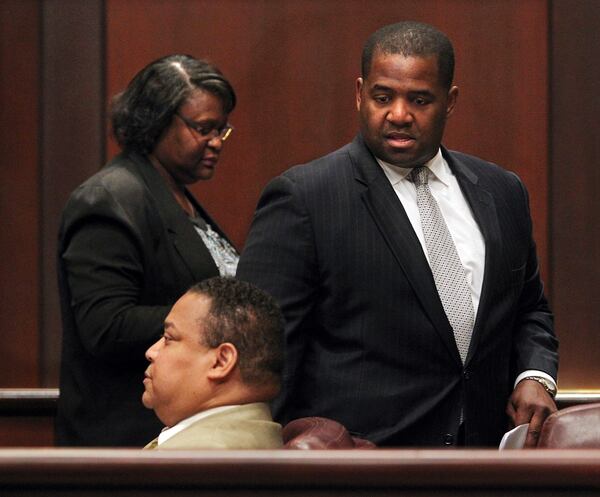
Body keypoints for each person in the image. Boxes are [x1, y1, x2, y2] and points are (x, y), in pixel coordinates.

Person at [237, 21, 559, 447]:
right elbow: (264, 355)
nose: (399, 115)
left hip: (483, 462)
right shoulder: (304, 198)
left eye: (420, 99)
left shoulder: (502, 192)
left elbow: (528, 308)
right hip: (360, 467)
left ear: (450, 101)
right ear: (359, 94)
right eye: (383, 96)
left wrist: (534, 374)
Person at [56, 55, 239, 446]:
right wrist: (221, 321)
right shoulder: (108, 198)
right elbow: (106, 326)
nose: (215, 143)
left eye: (222, 131)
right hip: (122, 441)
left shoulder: (173, 196)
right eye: (203, 129)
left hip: (175, 434)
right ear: (154, 121)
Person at [142, 276, 283, 449]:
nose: (151, 352)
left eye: (168, 338)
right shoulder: (240, 440)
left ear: (221, 362)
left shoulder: (194, 459)